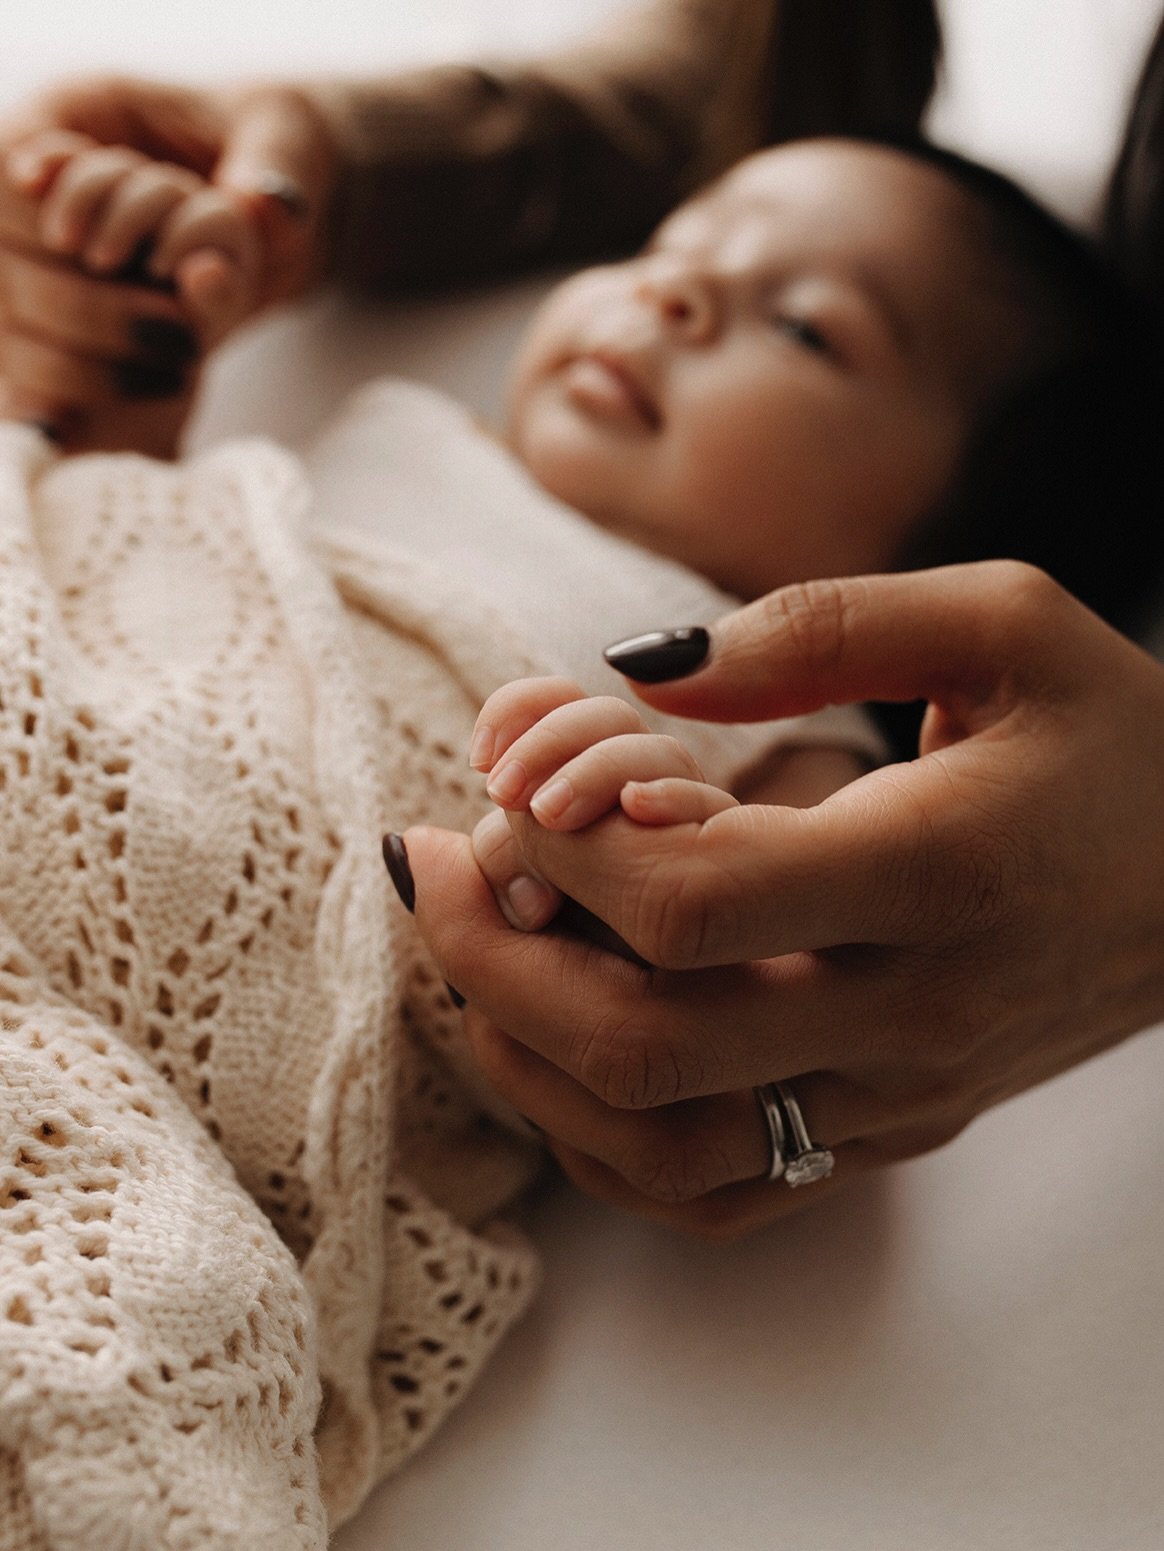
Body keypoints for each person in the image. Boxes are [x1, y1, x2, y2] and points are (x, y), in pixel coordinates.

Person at [3, 0, 1164, 1243]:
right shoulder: (413, 439)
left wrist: (636, 843)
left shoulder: (789, 731)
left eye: (804, 326)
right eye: (676, 244)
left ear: (939, 576)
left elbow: (771, 987)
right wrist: (131, 373)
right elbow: (141, 571)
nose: (672, 296)